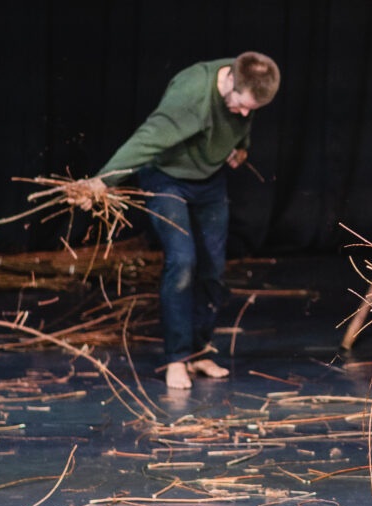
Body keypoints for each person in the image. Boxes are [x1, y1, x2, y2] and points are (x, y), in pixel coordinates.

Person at [71, 52, 280, 389]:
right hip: (166, 178)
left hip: (209, 181)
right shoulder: (191, 93)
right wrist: (101, 181)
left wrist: (241, 148)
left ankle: (199, 352)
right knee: (182, 261)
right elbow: (147, 139)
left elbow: (242, 123)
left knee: (213, 266)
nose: (244, 113)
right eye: (241, 104)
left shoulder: (245, 82)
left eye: (250, 109)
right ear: (229, 81)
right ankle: (177, 359)